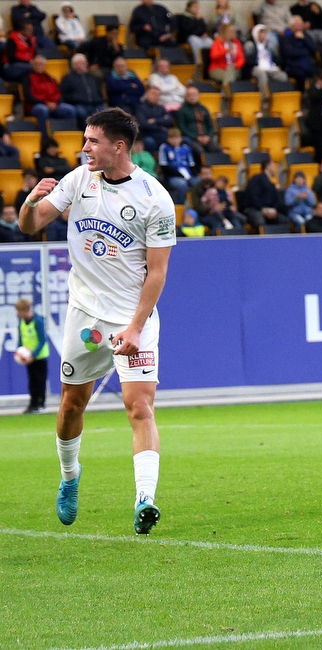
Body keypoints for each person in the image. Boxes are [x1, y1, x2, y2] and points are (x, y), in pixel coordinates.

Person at [18, 107, 176, 535]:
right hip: (84, 315)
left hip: (133, 318)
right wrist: (30, 200)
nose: (83, 147)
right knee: (72, 405)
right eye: (84, 140)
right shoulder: (78, 180)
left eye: (92, 141)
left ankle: (145, 499)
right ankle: (70, 477)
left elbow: (157, 273)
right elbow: (31, 225)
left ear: (118, 146)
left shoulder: (155, 199)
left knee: (139, 406)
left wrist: (136, 327)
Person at [25, 55, 77, 136]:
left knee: (70, 110)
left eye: (41, 64)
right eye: (37, 64)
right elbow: (29, 96)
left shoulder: (50, 78)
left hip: (54, 105)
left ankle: (70, 137)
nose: (39, 66)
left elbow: (58, 94)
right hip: (36, 105)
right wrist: (46, 103)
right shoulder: (28, 78)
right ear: (33, 65)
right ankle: (45, 139)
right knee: (43, 110)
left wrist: (55, 104)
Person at [158, 127, 198, 203]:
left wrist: (194, 174)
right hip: (174, 176)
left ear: (181, 138)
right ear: (168, 139)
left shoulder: (186, 148)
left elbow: (192, 164)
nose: (175, 140)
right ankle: (181, 205)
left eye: (177, 138)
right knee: (182, 184)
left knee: (198, 182)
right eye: (172, 138)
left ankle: (195, 204)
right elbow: (164, 166)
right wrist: (179, 174)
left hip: (188, 174)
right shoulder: (164, 148)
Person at [208, 22, 245, 88]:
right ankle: (227, 93)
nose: (234, 32)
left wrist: (235, 65)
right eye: (231, 31)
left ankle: (224, 94)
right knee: (229, 74)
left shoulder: (237, 43)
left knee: (230, 71)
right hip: (218, 69)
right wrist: (226, 51)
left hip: (234, 69)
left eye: (234, 31)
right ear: (225, 32)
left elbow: (241, 59)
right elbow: (213, 56)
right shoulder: (217, 42)